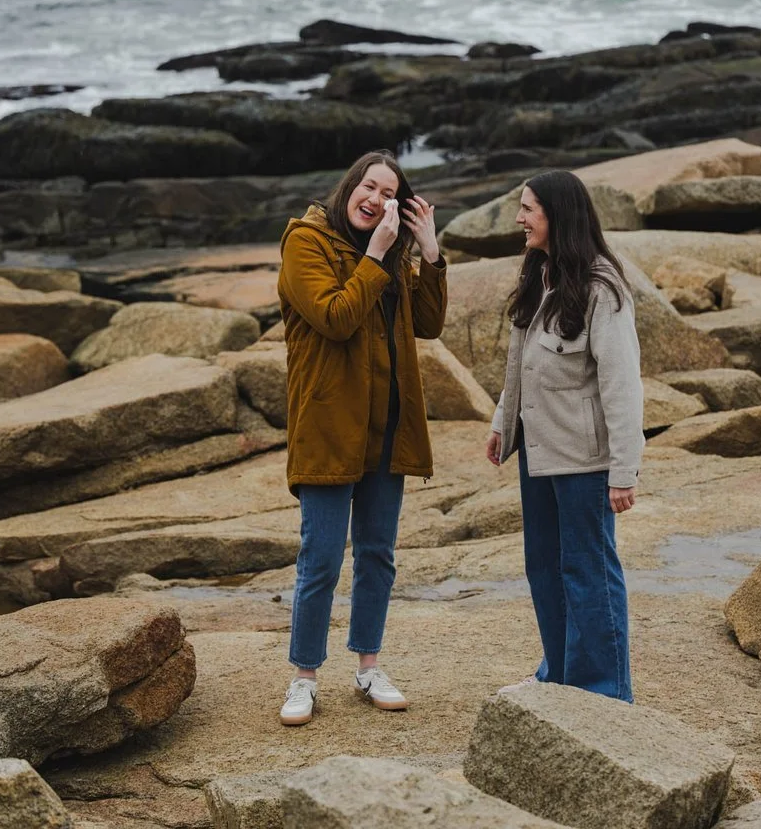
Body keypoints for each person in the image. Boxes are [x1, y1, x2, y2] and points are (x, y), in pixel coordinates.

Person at [274, 150, 448, 726]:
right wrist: (375, 255)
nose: (375, 199)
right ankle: (304, 677)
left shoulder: (392, 254)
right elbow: (335, 317)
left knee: (377, 555)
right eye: (369, 187)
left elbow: (428, 324)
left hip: (387, 427)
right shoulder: (305, 242)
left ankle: (369, 666)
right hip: (329, 426)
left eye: (388, 194)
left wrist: (429, 253)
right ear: (350, 185)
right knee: (321, 558)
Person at [484, 170, 642, 702]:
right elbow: (521, 366)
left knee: (588, 571)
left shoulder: (602, 288)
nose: (519, 218)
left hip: (584, 460)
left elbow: (622, 384)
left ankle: (604, 694)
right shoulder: (539, 274)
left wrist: (624, 470)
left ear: (558, 214)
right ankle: (558, 677)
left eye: (528, 208)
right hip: (538, 452)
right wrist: (502, 425)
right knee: (545, 569)